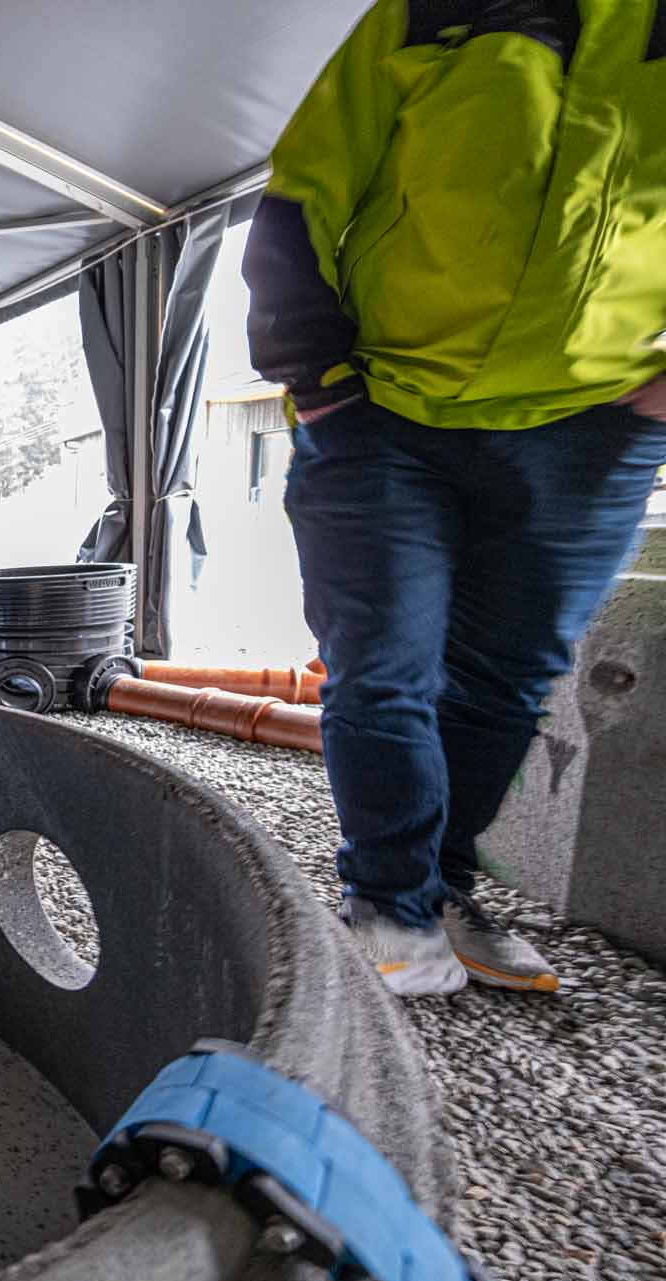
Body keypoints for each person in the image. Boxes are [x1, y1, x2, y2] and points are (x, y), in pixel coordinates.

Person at [244, 1, 666, 996]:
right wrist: (314, 376)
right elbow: (303, 187)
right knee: (382, 663)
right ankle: (390, 903)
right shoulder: (430, 8)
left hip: (593, 424)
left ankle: (438, 888)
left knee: (505, 680)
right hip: (380, 408)